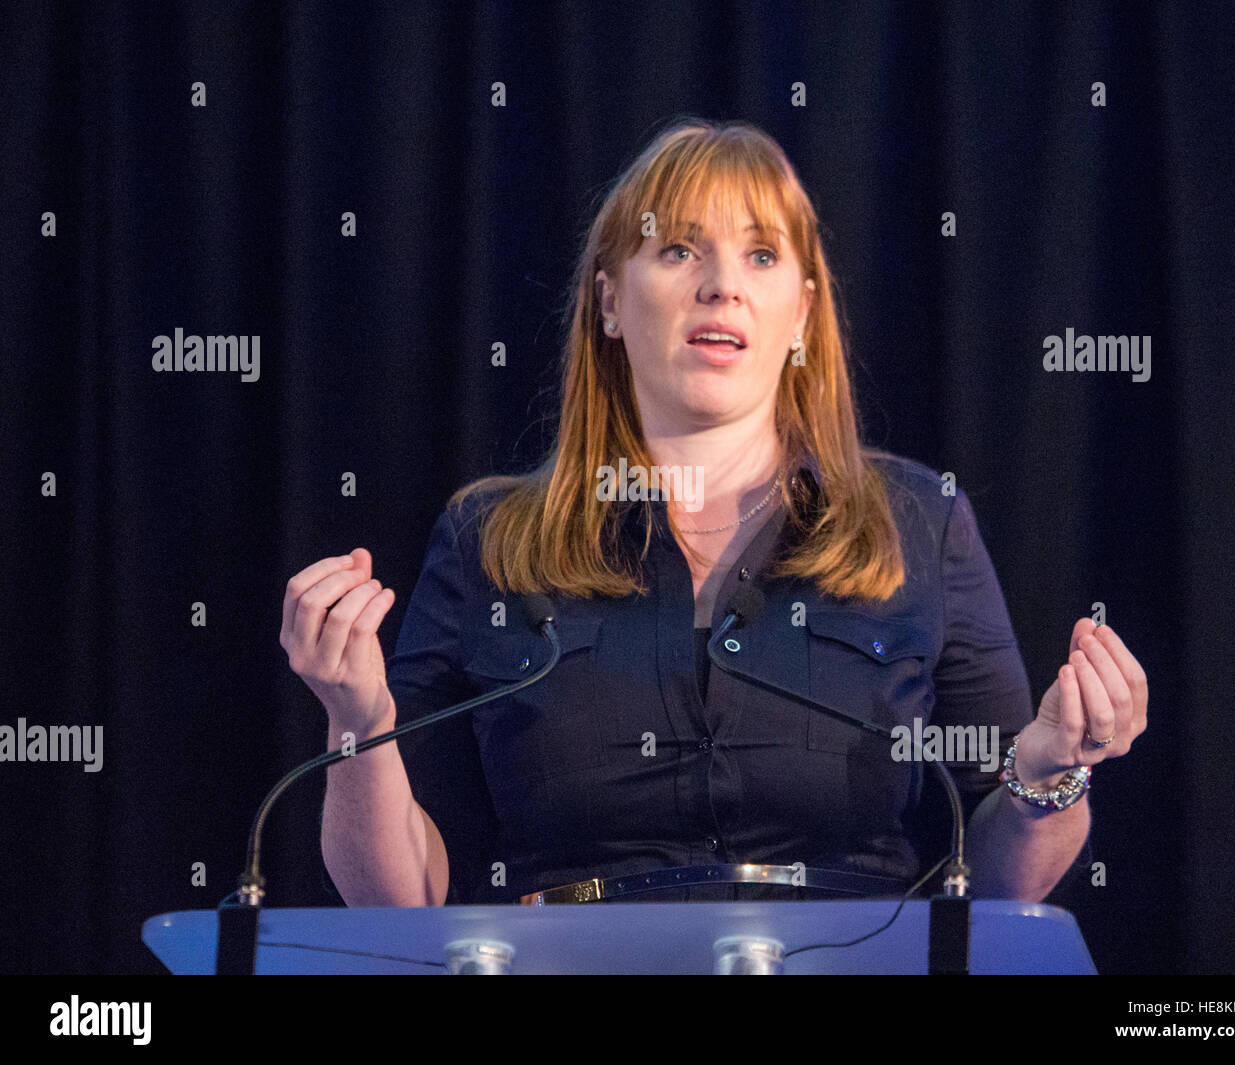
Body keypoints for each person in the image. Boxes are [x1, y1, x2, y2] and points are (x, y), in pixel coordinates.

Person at [281, 118, 1148, 908]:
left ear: (802, 313)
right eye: (679, 251)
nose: (722, 286)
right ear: (610, 301)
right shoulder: (489, 542)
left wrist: (1048, 771)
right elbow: (401, 901)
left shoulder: (920, 520)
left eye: (762, 256)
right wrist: (358, 720)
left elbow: (992, 891)